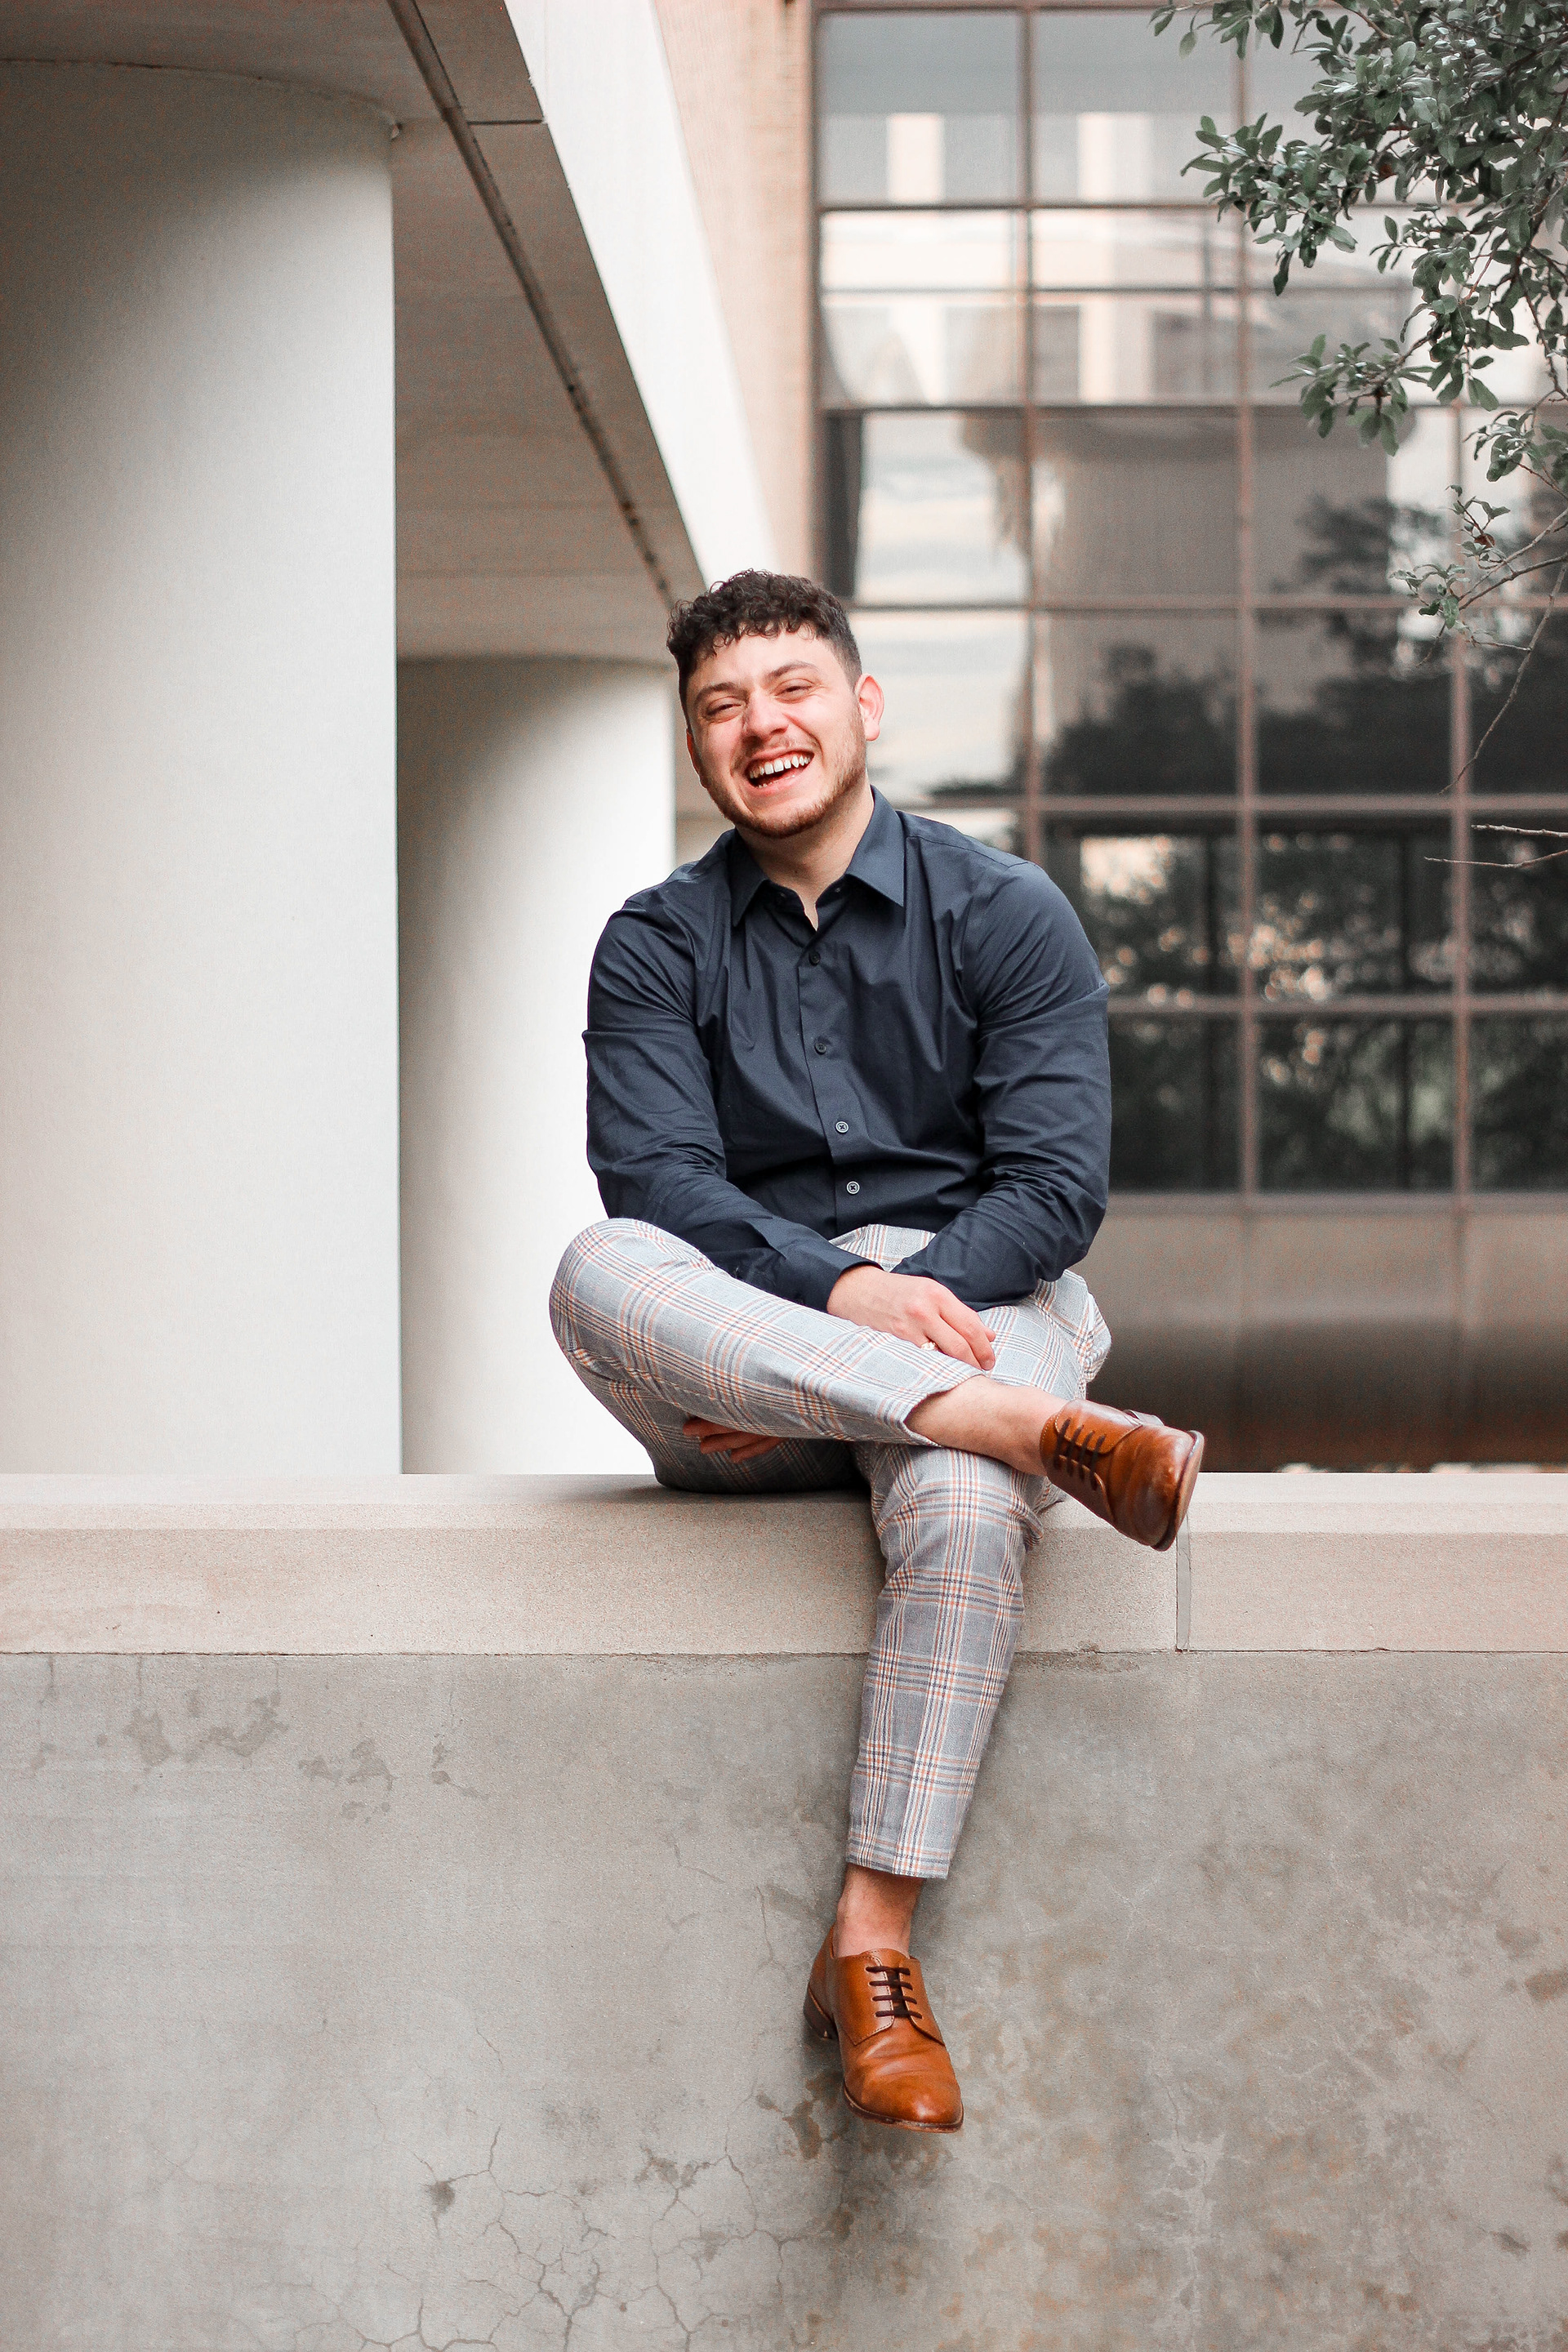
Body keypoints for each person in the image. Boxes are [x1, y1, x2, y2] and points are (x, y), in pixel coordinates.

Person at [550, 570, 1202, 2133]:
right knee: (595, 1268)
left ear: (863, 706)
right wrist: (833, 1302)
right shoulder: (653, 945)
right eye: (721, 706)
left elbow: (1052, 1190)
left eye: (791, 688)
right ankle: (1028, 1429)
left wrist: (907, 1311)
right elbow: (659, 1187)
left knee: (960, 1501)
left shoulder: (1007, 912)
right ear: (698, 746)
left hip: (981, 1293)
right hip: (749, 1350)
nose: (760, 725)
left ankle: (873, 1947)